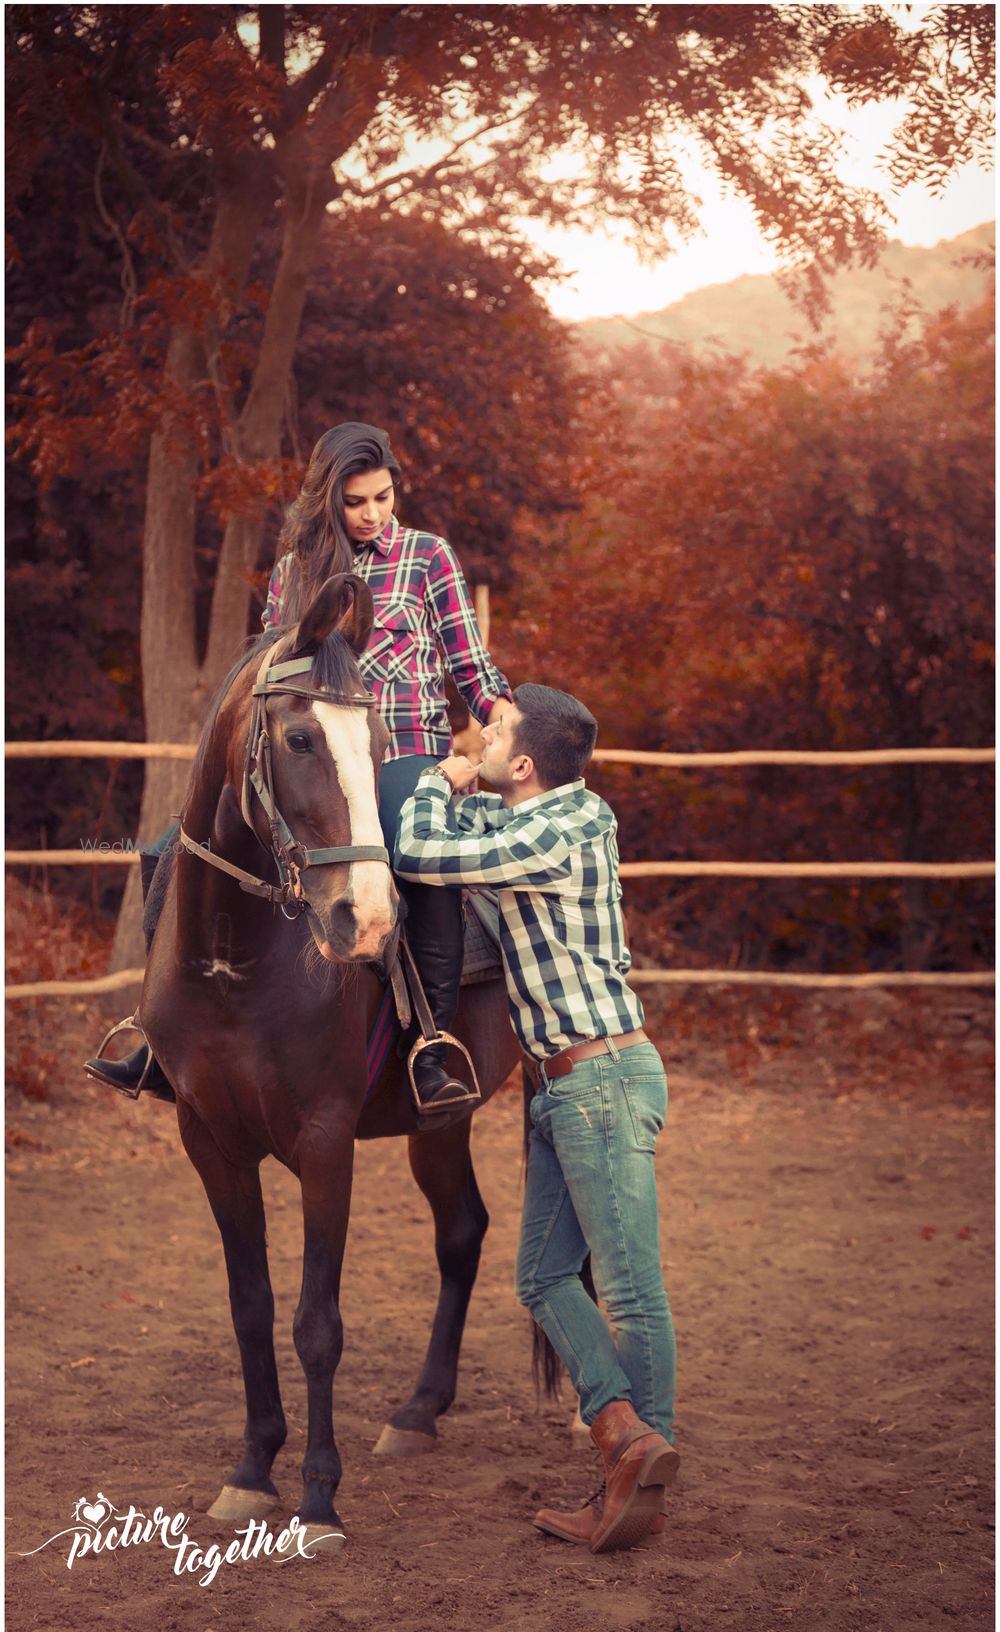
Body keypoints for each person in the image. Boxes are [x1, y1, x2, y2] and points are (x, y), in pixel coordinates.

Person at [86, 422, 511, 1112]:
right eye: (356, 501)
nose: (374, 512)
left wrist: (505, 726)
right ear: (329, 502)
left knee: (418, 853)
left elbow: (470, 664)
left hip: (402, 753)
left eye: (383, 495)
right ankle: (157, 1037)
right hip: (309, 762)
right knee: (176, 850)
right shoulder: (294, 573)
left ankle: (433, 1042)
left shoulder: (427, 557)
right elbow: (270, 677)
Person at [393, 683, 679, 1553]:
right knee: (543, 1279)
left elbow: (418, 849)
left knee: (629, 1292)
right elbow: (462, 844)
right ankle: (627, 1440)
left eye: (495, 729)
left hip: (600, 1081)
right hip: (560, 1088)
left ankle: (635, 1470)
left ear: (522, 765)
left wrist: (441, 777)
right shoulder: (523, 825)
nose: (476, 734)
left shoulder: (566, 826)